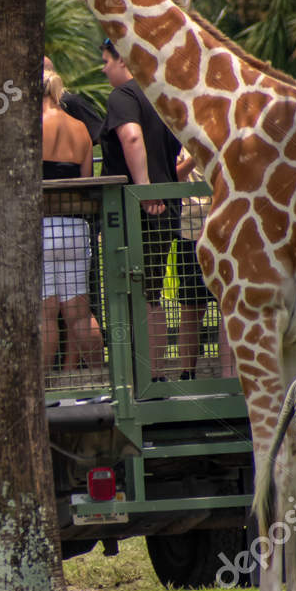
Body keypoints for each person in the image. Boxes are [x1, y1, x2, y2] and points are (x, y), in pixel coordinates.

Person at [98, 38, 183, 381]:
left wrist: (144, 190)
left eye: (106, 60)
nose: (103, 68)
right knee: (151, 291)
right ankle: (155, 376)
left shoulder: (124, 96)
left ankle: (142, 380)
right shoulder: (161, 97)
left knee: (137, 296)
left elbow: (131, 138)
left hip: (136, 212)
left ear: (123, 61)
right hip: (166, 206)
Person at [40, 67, 105, 373]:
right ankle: (97, 377)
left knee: (46, 314)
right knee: (79, 311)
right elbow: (85, 180)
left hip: (40, 227)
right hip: (76, 227)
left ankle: (41, 388)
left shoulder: (30, 127)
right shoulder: (81, 128)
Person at [172, 150, 235, 380]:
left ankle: (230, 376)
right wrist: (194, 158)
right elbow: (174, 176)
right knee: (190, 307)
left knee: (227, 307)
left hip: (224, 235)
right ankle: (186, 373)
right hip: (189, 234)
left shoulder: (227, 138)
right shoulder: (183, 144)